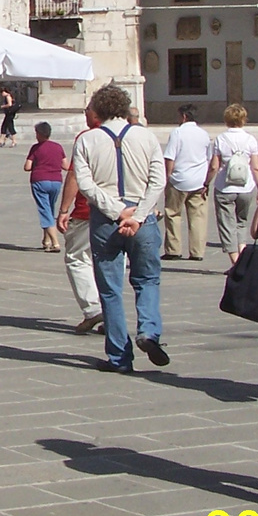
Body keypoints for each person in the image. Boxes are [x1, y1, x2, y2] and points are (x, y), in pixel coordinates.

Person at [73, 84, 169, 372]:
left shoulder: (87, 140)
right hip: (142, 216)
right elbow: (158, 181)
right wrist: (138, 215)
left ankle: (119, 357)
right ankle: (149, 331)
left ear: (98, 110)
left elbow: (86, 184)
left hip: (105, 219)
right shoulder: (146, 136)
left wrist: (117, 211)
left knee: (110, 289)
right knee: (147, 279)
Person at [57, 107, 105, 335]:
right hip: (123, 212)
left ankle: (93, 308)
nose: (85, 114)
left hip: (88, 210)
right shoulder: (131, 135)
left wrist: (64, 209)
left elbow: (75, 175)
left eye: (88, 110)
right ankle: (111, 313)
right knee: (111, 262)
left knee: (77, 258)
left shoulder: (88, 138)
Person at [208, 104, 258, 265]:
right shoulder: (250, 139)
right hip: (246, 186)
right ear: (243, 119)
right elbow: (256, 167)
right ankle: (243, 255)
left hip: (225, 187)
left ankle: (235, 261)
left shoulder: (221, 139)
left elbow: (214, 166)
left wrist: (206, 183)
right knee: (241, 222)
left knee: (226, 224)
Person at [162, 104, 211, 261]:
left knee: (173, 213)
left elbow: (170, 156)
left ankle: (173, 249)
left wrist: (167, 177)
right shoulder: (204, 134)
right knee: (198, 217)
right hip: (199, 180)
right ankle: (197, 251)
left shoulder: (177, 133)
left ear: (184, 116)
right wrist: (207, 181)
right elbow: (208, 158)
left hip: (179, 179)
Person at [23, 122, 67, 250]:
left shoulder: (36, 148)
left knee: (44, 210)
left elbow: (27, 167)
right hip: (56, 181)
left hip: (40, 180)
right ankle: (46, 240)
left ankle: (55, 242)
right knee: (50, 208)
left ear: (39, 134)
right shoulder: (58, 147)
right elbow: (65, 165)